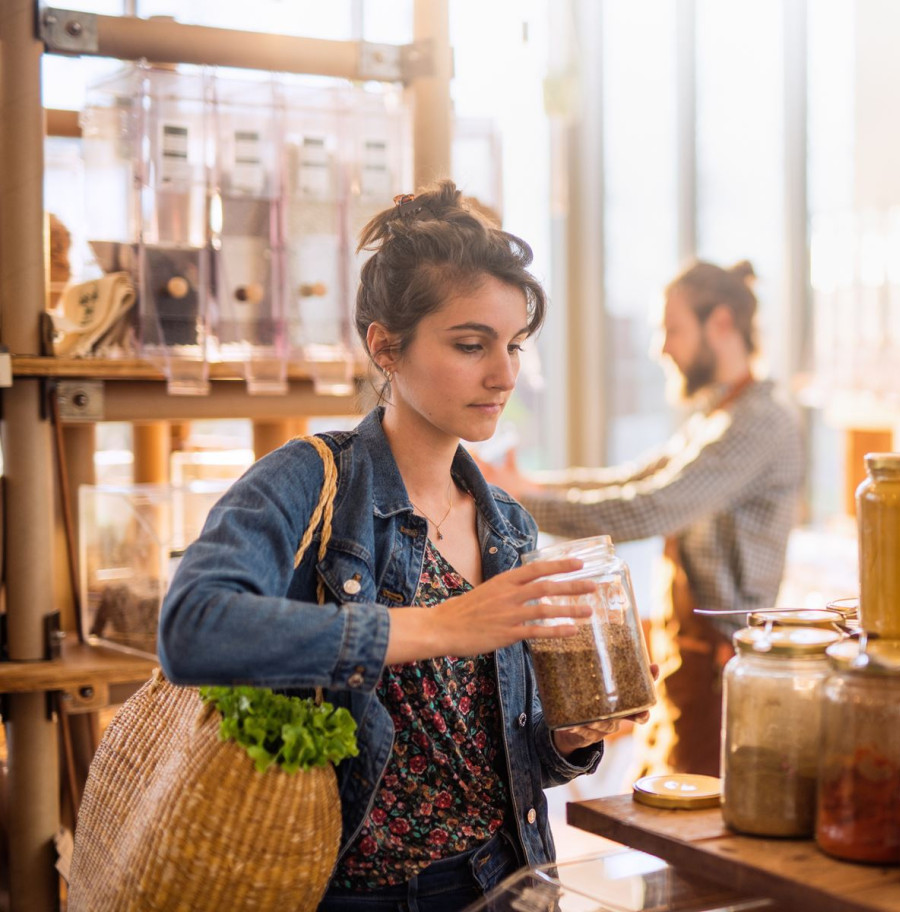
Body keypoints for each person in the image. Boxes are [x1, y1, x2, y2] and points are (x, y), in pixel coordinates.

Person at [159, 181, 644, 910]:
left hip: (510, 880)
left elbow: (493, 760)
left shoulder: (505, 521)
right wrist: (433, 626)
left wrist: (569, 740)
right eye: (470, 345)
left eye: (513, 347)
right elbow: (190, 629)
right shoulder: (307, 479)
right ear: (385, 345)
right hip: (364, 894)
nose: (504, 375)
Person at [480, 260, 804, 777]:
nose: (662, 348)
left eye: (672, 329)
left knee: (690, 833)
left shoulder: (759, 423)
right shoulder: (719, 416)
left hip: (723, 668)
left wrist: (519, 497)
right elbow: (630, 479)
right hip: (692, 660)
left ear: (720, 323)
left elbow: (648, 506)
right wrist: (529, 487)